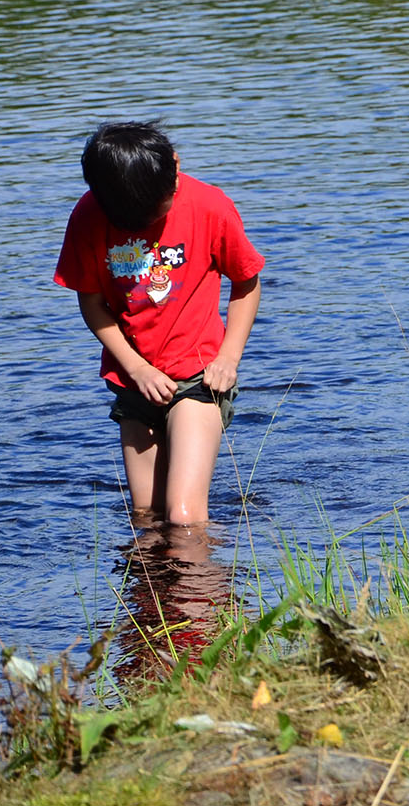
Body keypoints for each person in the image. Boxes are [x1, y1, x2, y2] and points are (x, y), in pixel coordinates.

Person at [54, 121, 264, 525]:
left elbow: (246, 281)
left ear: (175, 165)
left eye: (155, 213)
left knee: (184, 517)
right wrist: (137, 369)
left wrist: (228, 359)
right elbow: (92, 302)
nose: (146, 224)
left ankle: (203, 589)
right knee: (147, 518)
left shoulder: (209, 206)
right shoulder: (89, 215)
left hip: (198, 377)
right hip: (134, 381)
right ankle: (156, 591)